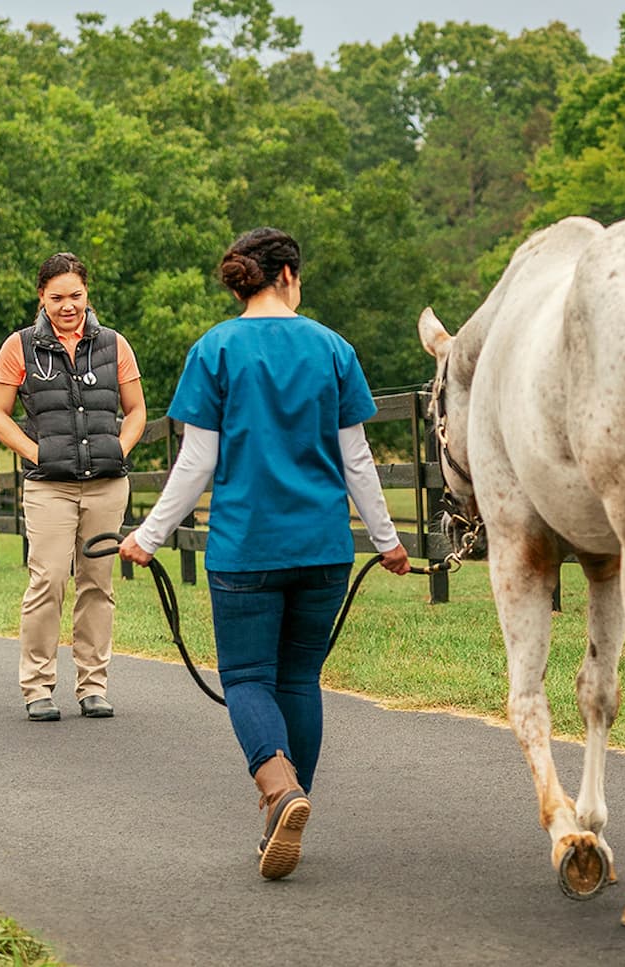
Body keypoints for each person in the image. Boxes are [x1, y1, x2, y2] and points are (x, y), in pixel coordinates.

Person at [118, 227, 410, 880]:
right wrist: (387, 541)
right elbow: (356, 459)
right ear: (288, 276)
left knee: (247, 677)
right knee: (299, 680)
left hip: (246, 547)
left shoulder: (215, 348)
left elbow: (199, 459)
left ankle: (281, 792)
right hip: (323, 548)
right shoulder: (333, 348)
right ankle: (286, 803)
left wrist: (149, 535)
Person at [0, 252, 147, 723]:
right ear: (41, 297)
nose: (67, 306)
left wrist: (119, 448)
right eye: (56, 297)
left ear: (87, 294)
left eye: (75, 296)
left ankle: (93, 686)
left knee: (97, 584)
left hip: (105, 485)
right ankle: (37, 687)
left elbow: (136, 409)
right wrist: (38, 453)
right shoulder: (19, 347)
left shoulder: (115, 344)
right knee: (49, 580)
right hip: (49, 488)